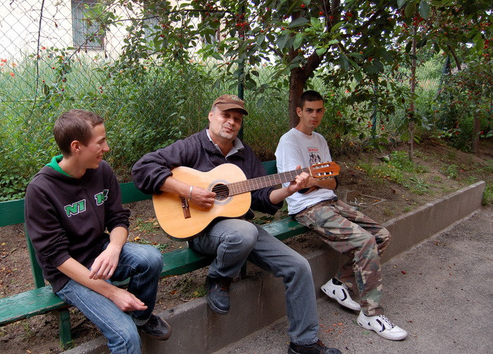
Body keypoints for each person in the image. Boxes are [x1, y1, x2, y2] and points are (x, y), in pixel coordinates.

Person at [132, 95, 341, 354]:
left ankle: (304, 343)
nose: (231, 122)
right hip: (203, 232)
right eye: (225, 115)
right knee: (244, 231)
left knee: (299, 266)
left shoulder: (244, 154)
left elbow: (263, 198)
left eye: (237, 119)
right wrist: (188, 191)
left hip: (243, 232)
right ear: (211, 116)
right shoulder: (191, 146)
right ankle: (218, 279)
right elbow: (142, 168)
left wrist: (289, 190)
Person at [24, 109, 171, 354]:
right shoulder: (41, 190)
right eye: (101, 142)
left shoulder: (101, 170)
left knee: (151, 258)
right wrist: (113, 292)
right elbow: (57, 257)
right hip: (69, 272)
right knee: (126, 339)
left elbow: (118, 219)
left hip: (99, 250)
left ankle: (140, 319)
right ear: (76, 147)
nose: (107, 148)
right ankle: (128, 323)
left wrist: (113, 248)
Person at [275, 90, 408, 341]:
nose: (315, 115)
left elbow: (333, 182)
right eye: (310, 110)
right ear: (299, 111)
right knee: (365, 241)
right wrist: (318, 181)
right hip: (307, 208)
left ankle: (339, 283)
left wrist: (318, 181)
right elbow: (300, 186)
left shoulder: (320, 140)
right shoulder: (289, 141)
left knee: (381, 235)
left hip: (331, 201)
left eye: (320, 110)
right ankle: (370, 314)